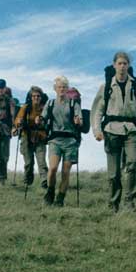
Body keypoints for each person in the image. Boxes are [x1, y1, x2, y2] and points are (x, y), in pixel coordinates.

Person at [92, 51, 136, 213]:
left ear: (129, 66)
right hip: (111, 131)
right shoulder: (105, 86)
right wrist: (97, 130)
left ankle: (129, 200)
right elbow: (98, 110)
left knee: (133, 164)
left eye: (125, 63)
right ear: (114, 65)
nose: (122, 66)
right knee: (113, 173)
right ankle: (113, 203)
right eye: (119, 63)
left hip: (131, 130)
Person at [38, 76, 82, 207]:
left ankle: (60, 199)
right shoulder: (50, 103)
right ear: (55, 89)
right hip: (54, 140)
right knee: (52, 169)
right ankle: (50, 191)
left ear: (67, 89)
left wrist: (78, 121)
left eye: (64, 87)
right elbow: (43, 117)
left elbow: (80, 120)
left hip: (70, 141)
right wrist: (39, 120)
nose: (61, 89)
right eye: (59, 87)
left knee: (65, 172)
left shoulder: (74, 104)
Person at [13, 86, 49, 189]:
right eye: (34, 96)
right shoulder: (25, 107)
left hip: (40, 137)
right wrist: (18, 124)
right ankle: (27, 181)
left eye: (38, 96)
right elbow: (18, 119)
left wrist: (42, 121)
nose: (36, 98)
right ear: (31, 97)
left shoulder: (45, 108)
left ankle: (44, 181)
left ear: (41, 97)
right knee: (29, 163)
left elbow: (48, 121)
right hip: (26, 137)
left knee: (42, 162)